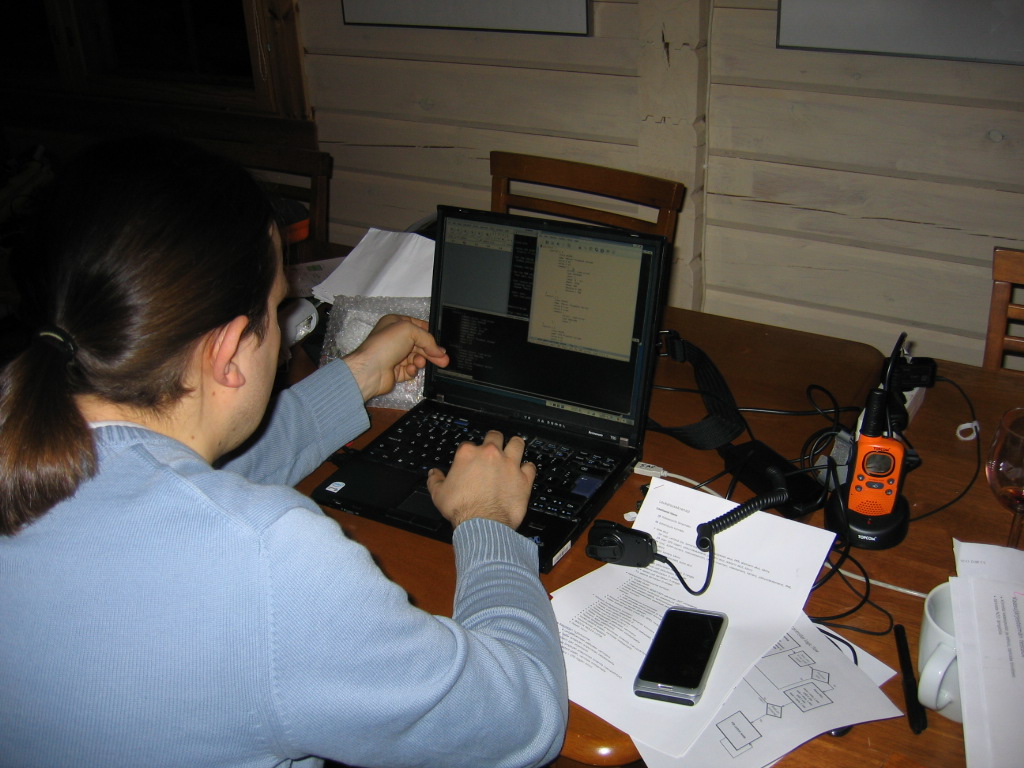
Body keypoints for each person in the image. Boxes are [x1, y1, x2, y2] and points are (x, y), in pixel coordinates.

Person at [0, 137, 567, 768]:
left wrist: (359, 374)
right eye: (278, 307)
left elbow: (194, 470)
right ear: (229, 350)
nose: (285, 323)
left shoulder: (30, 439)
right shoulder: (271, 561)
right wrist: (488, 520)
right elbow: (524, 721)